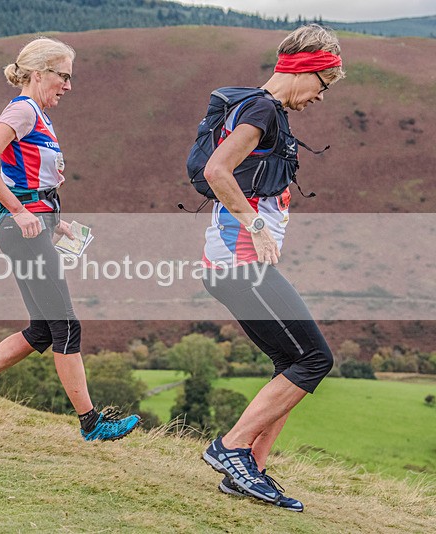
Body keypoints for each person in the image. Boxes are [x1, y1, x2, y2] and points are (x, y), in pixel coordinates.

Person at [0, 37, 140, 441]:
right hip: (22, 231)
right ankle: (91, 423)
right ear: (39, 74)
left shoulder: (39, 116)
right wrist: (19, 211)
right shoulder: (22, 110)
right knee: (67, 326)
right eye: (63, 76)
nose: (67, 86)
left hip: (35, 228)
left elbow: (31, 180)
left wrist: (56, 223)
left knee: (43, 331)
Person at [197, 24, 345, 511]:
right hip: (240, 262)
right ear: (306, 71)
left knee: (292, 362)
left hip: (234, 263)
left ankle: (250, 472)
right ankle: (232, 449)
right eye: (324, 86)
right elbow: (217, 170)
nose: (321, 98)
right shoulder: (261, 108)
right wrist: (257, 227)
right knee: (314, 359)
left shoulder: (265, 110)